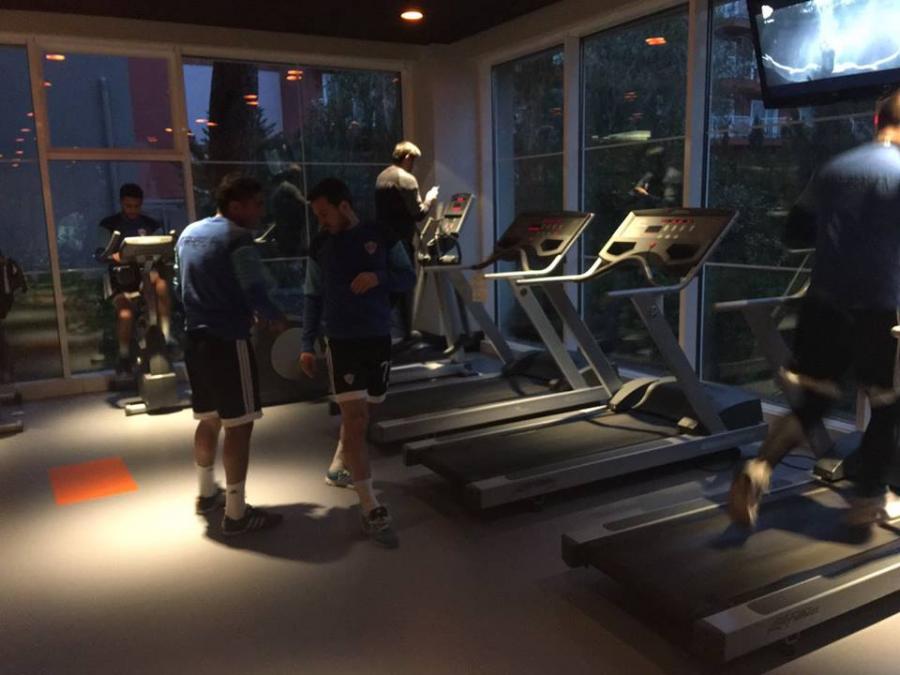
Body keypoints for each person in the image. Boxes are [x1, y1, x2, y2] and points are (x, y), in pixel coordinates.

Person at [729, 90, 900, 529]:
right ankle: (867, 502)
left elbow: (795, 232)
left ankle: (759, 468)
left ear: (876, 120)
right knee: (885, 403)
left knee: (816, 400)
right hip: (878, 308)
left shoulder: (834, 168)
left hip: (822, 303)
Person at [299, 178, 416, 547]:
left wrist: (378, 276)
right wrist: (306, 342)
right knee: (355, 418)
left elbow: (408, 276)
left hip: (377, 337)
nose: (321, 222)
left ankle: (340, 463)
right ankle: (370, 505)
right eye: (317, 215)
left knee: (370, 408)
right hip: (341, 340)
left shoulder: (381, 235)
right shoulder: (320, 245)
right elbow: (312, 295)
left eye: (325, 214)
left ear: (345, 206)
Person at [176, 175, 287, 536]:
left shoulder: (188, 233)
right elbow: (253, 287)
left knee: (209, 419)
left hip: (195, 339)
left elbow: (184, 285)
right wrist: (274, 317)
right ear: (236, 206)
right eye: (257, 204)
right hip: (228, 340)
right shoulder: (238, 237)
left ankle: (206, 494)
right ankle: (236, 514)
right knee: (239, 425)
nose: (261, 211)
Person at [98, 183, 173, 373]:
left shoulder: (150, 224)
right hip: (121, 280)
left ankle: (166, 336)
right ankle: (123, 355)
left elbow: (162, 248)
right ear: (121, 203)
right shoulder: (109, 224)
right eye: (128, 206)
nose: (132, 210)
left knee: (161, 285)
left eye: (136, 206)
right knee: (125, 314)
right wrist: (112, 256)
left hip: (146, 275)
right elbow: (101, 252)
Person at [375, 141, 439, 341]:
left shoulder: (382, 177)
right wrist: (430, 198)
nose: (414, 166)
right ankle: (406, 334)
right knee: (404, 285)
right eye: (414, 161)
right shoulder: (406, 179)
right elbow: (418, 213)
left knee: (391, 287)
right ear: (408, 157)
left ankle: (384, 329)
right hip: (401, 241)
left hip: (384, 241)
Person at [0, 250, 27, 384]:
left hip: (7, 296)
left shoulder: (11, 264)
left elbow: (19, 276)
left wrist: (21, 287)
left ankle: (6, 372)